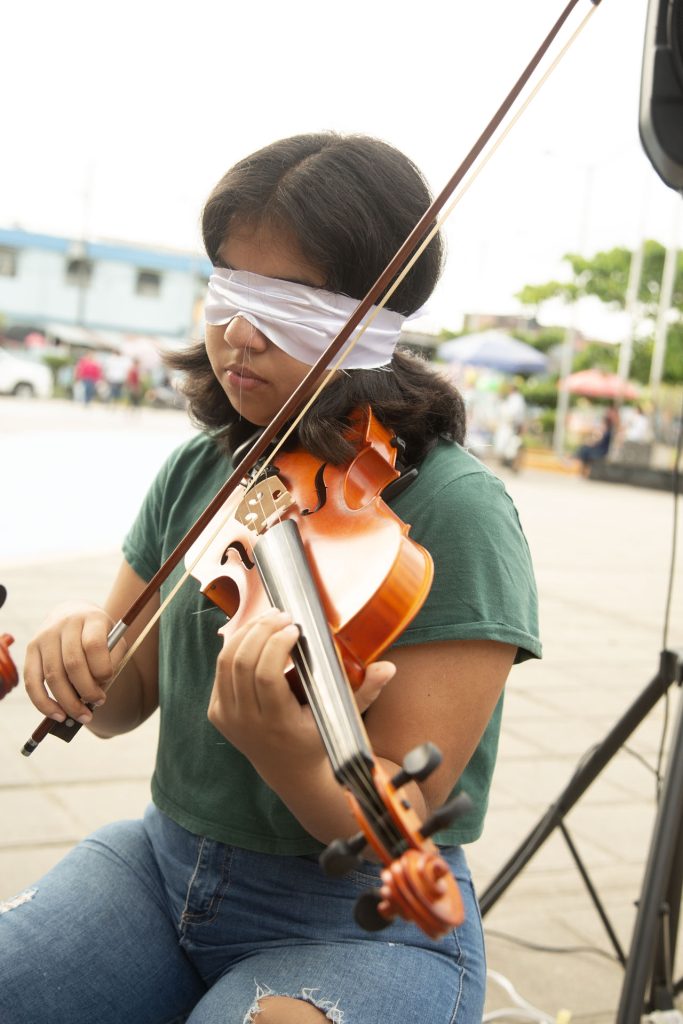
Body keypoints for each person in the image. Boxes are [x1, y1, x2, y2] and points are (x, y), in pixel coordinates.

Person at [0, 133, 541, 1024]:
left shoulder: (454, 510)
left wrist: (287, 750)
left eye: (283, 302)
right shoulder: (201, 469)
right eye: (227, 290)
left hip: (359, 918)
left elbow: (399, 821)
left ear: (373, 319)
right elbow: (122, 698)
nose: (236, 333)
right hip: (157, 870)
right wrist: (75, 649)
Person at [574, 403, 619, 476]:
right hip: (600, 447)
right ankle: (583, 469)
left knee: (586, 449)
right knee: (585, 448)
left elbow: (601, 440)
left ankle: (581, 467)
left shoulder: (612, 428)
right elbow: (598, 439)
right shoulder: (606, 428)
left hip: (603, 449)